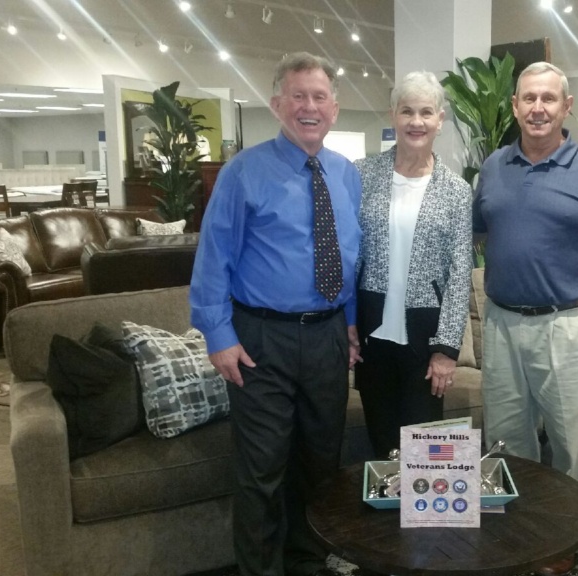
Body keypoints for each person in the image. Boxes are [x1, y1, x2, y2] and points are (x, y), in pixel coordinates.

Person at [190, 52, 361, 576]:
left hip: (328, 337)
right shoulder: (243, 172)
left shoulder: (346, 174)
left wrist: (350, 323)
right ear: (277, 104)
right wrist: (218, 335)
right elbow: (213, 259)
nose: (309, 107)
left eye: (319, 97)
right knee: (261, 471)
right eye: (298, 96)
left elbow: (350, 256)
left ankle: (308, 562)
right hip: (261, 340)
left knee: (320, 464)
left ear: (334, 108)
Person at [473, 61, 578, 572]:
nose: (538, 108)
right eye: (528, 98)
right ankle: (518, 542)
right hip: (502, 325)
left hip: (568, 327)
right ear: (514, 106)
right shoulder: (493, 168)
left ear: (567, 106)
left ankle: (560, 553)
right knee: (507, 444)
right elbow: (479, 231)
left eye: (548, 98)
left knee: (570, 449)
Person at [353, 71, 473, 459]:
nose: (416, 121)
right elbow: (348, 255)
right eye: (407, 111)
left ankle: (420, 505)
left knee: (425, 455)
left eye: (426, 112)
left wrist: (447, 350)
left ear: (440, 119)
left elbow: (460, 275)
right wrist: (347, 324)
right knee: (381, 447)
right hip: (372, 337)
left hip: (426, 341)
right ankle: (385, 503)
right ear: (393, 115)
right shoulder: (361, 174)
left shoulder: (456, 191)